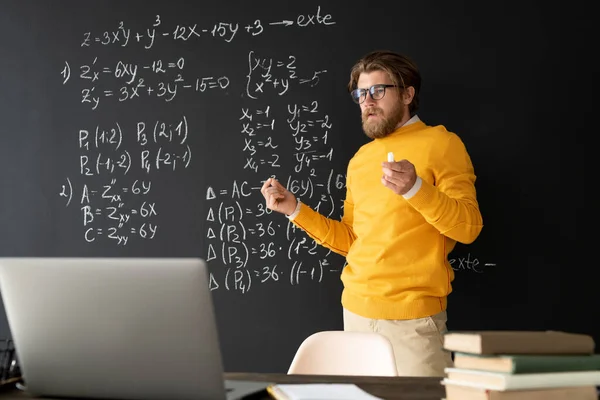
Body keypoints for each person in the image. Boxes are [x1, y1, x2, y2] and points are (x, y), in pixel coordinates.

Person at [260, 50, 483, 377]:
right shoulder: (361, 159)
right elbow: (352, 241)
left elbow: (469, 228)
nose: (367, 101)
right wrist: (295, 210)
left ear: (407, 94)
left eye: (378, 90)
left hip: (413, 323)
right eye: (361, 94)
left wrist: (414, 188)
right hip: (355, 313)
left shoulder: (443, 143)